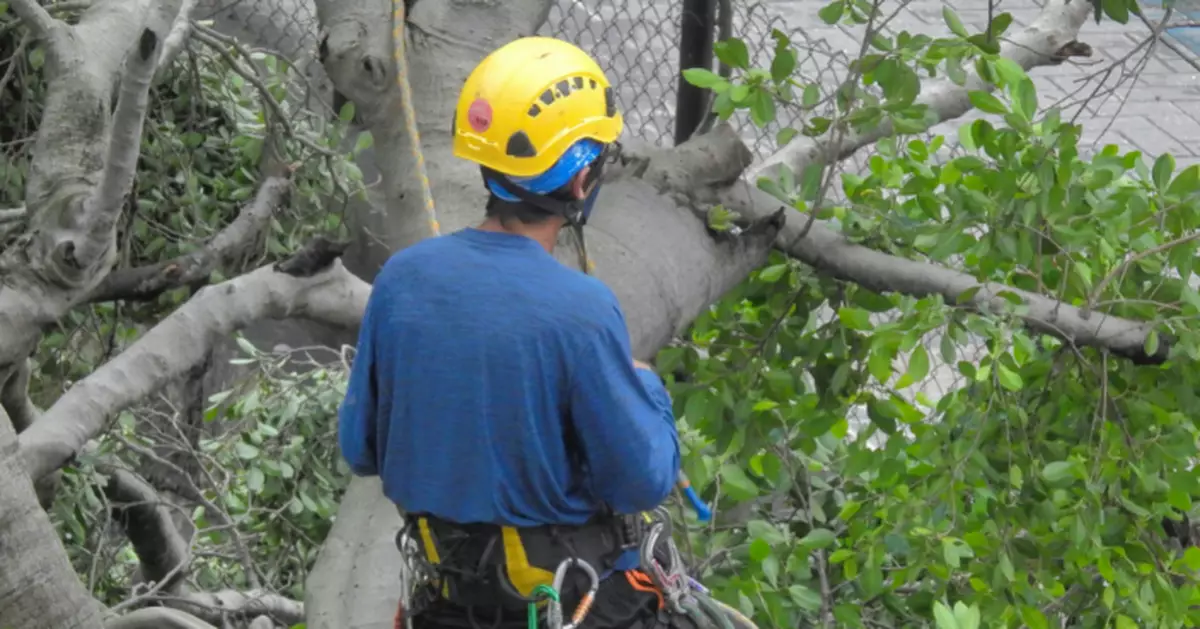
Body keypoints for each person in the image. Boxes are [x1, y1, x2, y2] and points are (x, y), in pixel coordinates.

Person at [337, 36, 690, 629]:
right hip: (576, 606)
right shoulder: (581, 310)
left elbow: (361, 447)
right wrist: (647, 389)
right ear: (581, 182)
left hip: (445, 604)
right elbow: (641, 479)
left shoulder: (402, 279)